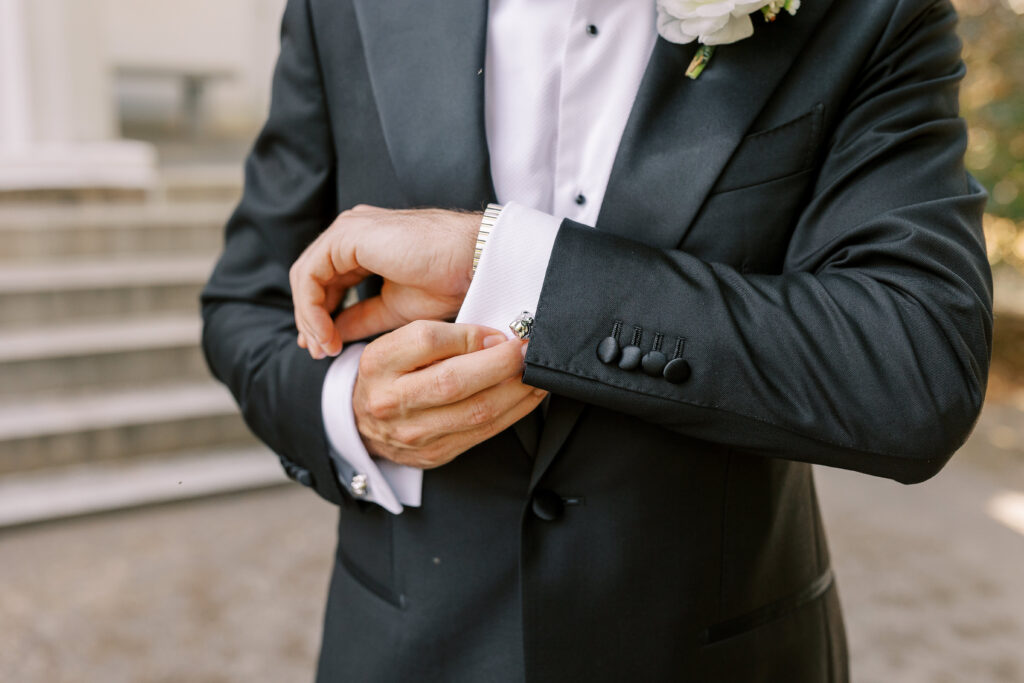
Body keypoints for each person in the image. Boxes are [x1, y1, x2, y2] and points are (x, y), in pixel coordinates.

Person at [200, 0, 993, 680]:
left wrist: (515, 269)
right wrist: (351, 408)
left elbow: (914, 365)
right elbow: (250, 302)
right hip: (407, 647)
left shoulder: (867, 12)